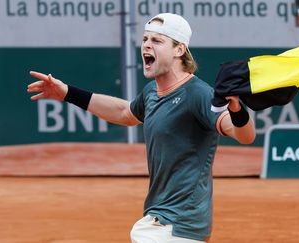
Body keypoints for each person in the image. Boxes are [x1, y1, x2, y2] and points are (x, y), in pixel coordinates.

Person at [27, 13, 255, 243]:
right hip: (160, 219)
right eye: (145, 39)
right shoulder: (151, 92)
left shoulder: (198, 94)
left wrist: (236, 109)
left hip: (179, 226)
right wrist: (67, 92)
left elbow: (244, 135)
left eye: (157, 40)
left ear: (179, 50)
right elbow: (124, 113)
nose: (146, 45)